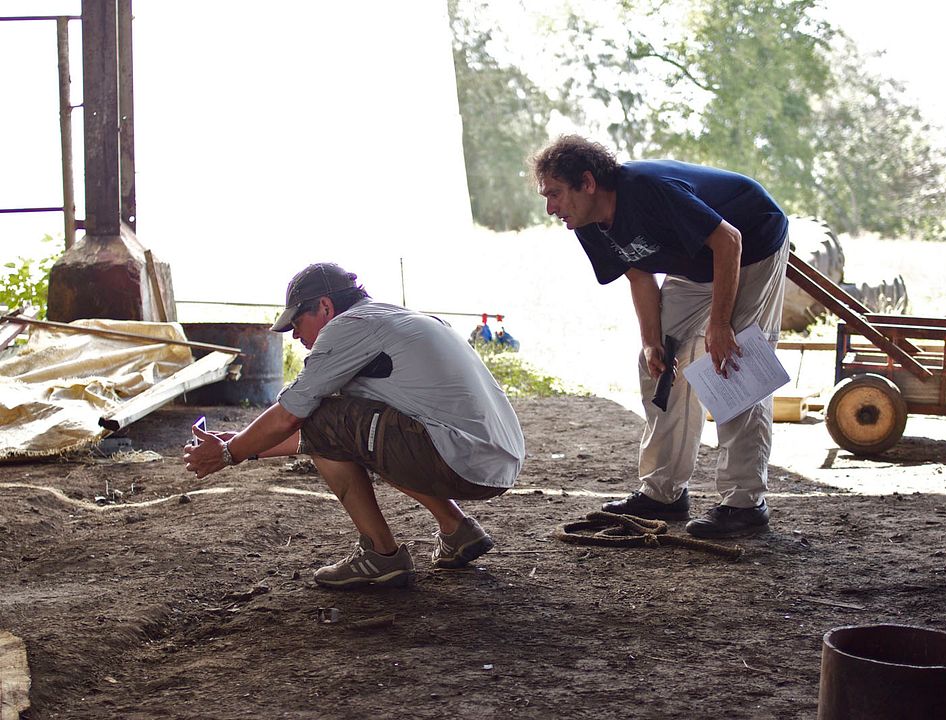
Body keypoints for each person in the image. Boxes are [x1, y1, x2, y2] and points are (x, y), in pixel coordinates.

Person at [183, 262, 526, 588]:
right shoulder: (398, 319)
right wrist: (247, 444)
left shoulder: (348, 327)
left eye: (298, 322)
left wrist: (229, 452)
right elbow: (330, 436)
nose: (295, 336)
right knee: (354, 423)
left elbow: (297, 417)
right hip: (493, 459)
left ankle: (380, 554)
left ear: (326, 307)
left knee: (323, 413)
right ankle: (457, 529)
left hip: (459, 459)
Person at [530, 135, 789, 538]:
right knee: (659, 362)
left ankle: (745, 502)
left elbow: (728, 240)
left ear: (588, 182)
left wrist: (720, 325)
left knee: (733, 362)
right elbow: (638, 272)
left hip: (750, 243)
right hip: (696, 263)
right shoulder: (586, 222)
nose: (551, 208)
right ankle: (663, 491)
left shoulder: (645, 189)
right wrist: (652, 340)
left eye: (556, 194)